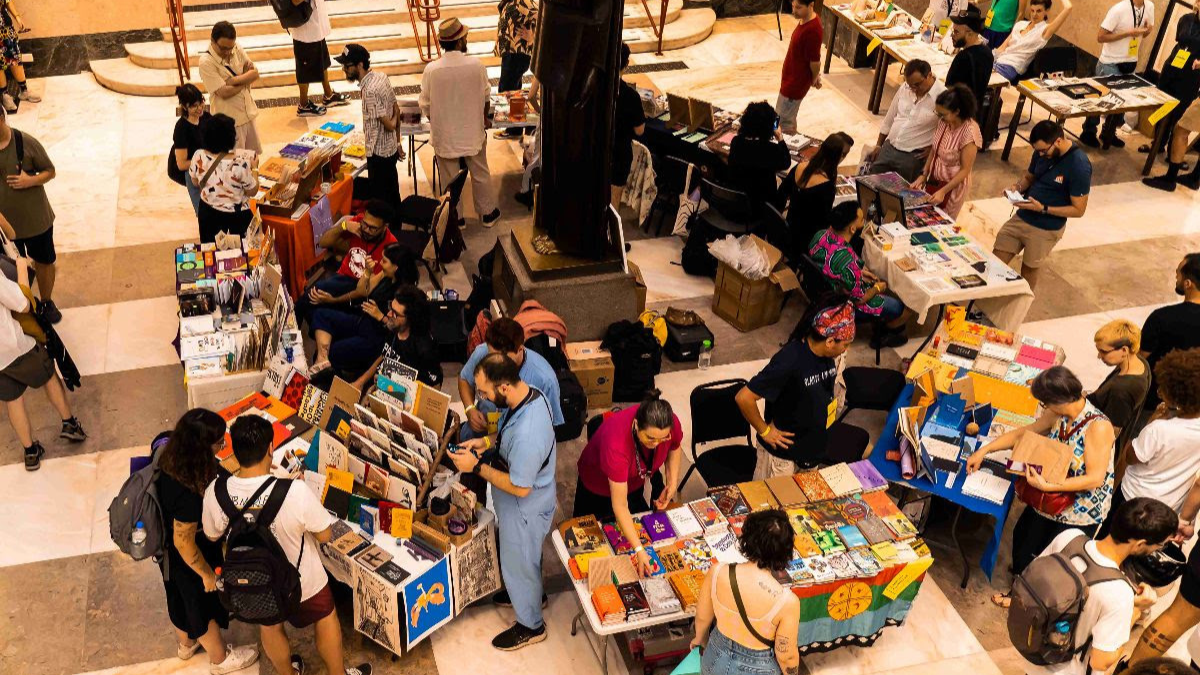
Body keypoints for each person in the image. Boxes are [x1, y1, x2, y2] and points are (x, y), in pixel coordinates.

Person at [202, 416, 371, 675]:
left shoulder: (216, 491)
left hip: (255, 579)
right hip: (304, 581)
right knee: (326, 618)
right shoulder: (294, 491)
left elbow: (212, 535)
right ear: (271, 448)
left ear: (233, 451)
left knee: (269, 626)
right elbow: (325, 535)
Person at [966, 365, 1116, 605]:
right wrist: (985, 450)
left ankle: (1026, 600)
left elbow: (1094, 478)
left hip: (1077, 510)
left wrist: (1049, 485)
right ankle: (1020, 583)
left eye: (1044, 404)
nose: (1043, 410)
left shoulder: (1098, 426)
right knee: (1024, 538)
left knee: (1052, 561)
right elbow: (1023, 434)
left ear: (1057, 400)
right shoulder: (1059, 414)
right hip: (1047, 497)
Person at [448, 353, 557, 651]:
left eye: (484, 392)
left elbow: (521, 488)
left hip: (524, 509)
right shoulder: (529, 397)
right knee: (524, 561)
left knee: (519, 560)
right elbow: (505, 432)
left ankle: (531, 624)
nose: (480, 397)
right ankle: (530, 594)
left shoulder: (528, 434)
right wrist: (483, 443)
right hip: (523, 506)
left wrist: (476, 467)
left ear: (505, 386)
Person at [155, 409, 259, 674]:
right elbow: (183, 542)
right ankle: (220, 659)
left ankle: (186, 645)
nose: (222, 446)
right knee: (201, 605)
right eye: (218, 442)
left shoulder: (173, 459)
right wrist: (206, 574)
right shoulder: (187, 492)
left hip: (169, 557)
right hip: (190, 556)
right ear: (201, 447)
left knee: (178, 599)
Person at [1019, 497, 1174, 675]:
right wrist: (1136, 609)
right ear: (1140, 544)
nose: (1159, 549)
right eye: (1160, 545)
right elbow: (1101, 661)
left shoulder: (1070, 537)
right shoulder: (1119, 593)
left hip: (1033, 650)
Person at [736, 300, 853, 476]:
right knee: (771, 503)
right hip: (782, 459)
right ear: (829, 341)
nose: (846, 350)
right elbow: (744, 397)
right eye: (845, 344)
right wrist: (765, 431)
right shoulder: (790, 360)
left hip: (810, 454)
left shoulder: (829, 357)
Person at [573, 390, 684, 575]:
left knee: (629, 537)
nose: (657, 444)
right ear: (635, 425)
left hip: (634, 481)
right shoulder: (616, 444)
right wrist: (639, 550)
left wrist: (672, 482)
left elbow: (675, 446)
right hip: (597, 487)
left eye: (662, 438)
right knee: (591, 547)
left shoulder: (668, 423)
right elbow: (620, 506)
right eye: (650, 438)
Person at [690, 510, 802, 675]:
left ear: (747, 539)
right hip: (759, 667)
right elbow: (786, 656)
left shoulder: (718, 572)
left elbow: (702, 617)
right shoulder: (787, 601)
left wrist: (700, 640)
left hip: (715, 656)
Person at [1103, 349, 1200, 539]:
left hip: (1132, 499)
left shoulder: (1159, 430)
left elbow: (1131, 457)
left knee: (1110, 542)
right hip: (1166, 509)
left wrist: (1153, 419)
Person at [0, 263, 85, 471]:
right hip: (14, 346)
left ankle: (30, 452)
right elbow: (22, 304)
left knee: (12, 399)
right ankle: (69, 423)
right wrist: (21, 269)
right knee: (48, 375)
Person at [419, 18, 501, 227]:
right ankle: (487, 214)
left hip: (445, 135)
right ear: (459, 41)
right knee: (480, 173)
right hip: (472, 132)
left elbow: (426, 105)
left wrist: (440, 122)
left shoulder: (432, 69)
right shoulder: (476, 65)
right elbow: (485, 97)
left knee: (449, 179)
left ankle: (457, 219)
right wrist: (482, 119)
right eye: (465, 37)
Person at [992, 120, 1091, 289]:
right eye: (1038, 151)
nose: (1041, 155)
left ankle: (1021, 308)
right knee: (994, 263)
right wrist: (1017, 187)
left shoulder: (1079, 165)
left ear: (1058, 141)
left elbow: (1078, 209)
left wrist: (1043, 209)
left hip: (1046, 228)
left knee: (1028, 271)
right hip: (1022, 217)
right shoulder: (1040, 152)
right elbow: (1030, 177)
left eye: (1044, 151)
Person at [809, 203, 915, 347]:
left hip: (821, 291)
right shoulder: (848, 261)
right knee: (903, 308)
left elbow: (835, 268)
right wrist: (878, 288)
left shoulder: (820, 235)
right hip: (840, 303)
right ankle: (886, 331)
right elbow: (859, 300)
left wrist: (859, 273)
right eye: (860, 219)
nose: (864, 220)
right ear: (852, 228)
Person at [309, 244, 418, 381]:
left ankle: (331, 380)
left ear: (396, 267)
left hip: (377, 337)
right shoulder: (386, 275)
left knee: (335, 350)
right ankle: (322, 361)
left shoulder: (406, 294)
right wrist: (367, 272)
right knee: (321, 314)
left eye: (384, 261)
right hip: (363, 321)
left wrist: (381, 316)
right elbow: (362, 290)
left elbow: (403, 330)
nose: (380, 263)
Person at [0, 106, 61, 323]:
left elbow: (50, 171)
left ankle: (46, 301)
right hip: (5, 227)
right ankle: (21, 305)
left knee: (44, 261)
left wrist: (30, 180)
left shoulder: (25, 142)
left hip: (35, 221)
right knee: (10, 266)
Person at [458, 317, 562, 441]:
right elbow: (464, 379)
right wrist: (470, 409)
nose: (494, 363)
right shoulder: (482, 352)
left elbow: (549, 428)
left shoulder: (545, 379)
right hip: (478, 433)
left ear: (520, 349)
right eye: (491, 355)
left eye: (502, 358)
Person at [298, 199, 398, 326]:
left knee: (311, 302)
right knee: (310, 302)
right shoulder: (358, 222)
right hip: (341, 277)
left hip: (360, 287)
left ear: (385, 227)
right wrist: (343, 226)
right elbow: (323, 243)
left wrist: (332, 301)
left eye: (373, 228)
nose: (366, 230)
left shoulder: (390, 247)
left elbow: (363, 291)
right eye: (364, 224)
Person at [1141, 1, 1200, 191]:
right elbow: (1181, 40)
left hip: (1191, 77)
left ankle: (1173, 157)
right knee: (1163, 108)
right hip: (1173, 67)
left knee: (1180, 118)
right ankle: (1157, 142)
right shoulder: (1186, 19)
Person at [335, 44, 402, 213]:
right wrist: (398, 142)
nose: (344, 69)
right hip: (390, 149)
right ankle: (396, 224)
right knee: (392, 192)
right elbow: (396, 107)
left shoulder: (369, 91)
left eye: (347, 66)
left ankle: (388, 232)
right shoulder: (381, 77)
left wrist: (393, 123)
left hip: (378, 154)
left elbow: (390, 123)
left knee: (381, 201)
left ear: (359, 65)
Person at [1080, 0, 1155, 149]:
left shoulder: (1150, 6)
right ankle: (1088, 132)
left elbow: (1145, 34)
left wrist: (1146, 31)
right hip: (1110, 62)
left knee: (1121, 102)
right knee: (1100, 101)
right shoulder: (1119, 9)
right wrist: (1128, 33)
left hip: (1130, 62)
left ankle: (1109, 132)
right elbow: (1100, 37)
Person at [1137, 254, 1200, 426]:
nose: (1175, 276)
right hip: (1194, 406)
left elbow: (1140, 358)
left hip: (1154, 400)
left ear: (1188, 284)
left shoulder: (1161, 318)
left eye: (1178, 273)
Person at [866, 60, 945, 182]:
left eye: (917, 84)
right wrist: (878, 144)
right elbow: (890, 117)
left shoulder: (943, 96)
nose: (913, 89)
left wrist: (933, 149)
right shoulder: (905, 87)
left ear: (929, 75)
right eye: (910, 85)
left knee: (901, 194)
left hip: (913, 155)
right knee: (871, 183)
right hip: (890, 146)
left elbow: (949, 130)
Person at [912, 83, 982, 219]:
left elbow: (965, 170)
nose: (939, 117)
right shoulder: (944, 122)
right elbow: (935, 149)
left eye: (943, 114)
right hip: (934, 181)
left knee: (941, 221)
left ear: (956, 112)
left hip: (952, 189)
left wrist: (943, 191)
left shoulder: (970, 133)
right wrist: (923, 174)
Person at [352, 285, 441, 390]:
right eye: (391, 307)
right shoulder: (395, 328)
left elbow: (435, 389)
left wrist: (384, 385)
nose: (388, 314)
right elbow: (384, 355)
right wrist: (360, 382)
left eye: (395, 314)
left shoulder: (424, 349)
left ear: (410, 318)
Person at [782, 131, 855, 260]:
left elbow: (782, 193)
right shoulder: (826, 186)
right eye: (844, 155)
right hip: (806, 242)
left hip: (788, 229)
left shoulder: (800, 167)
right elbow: (824, 223)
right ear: (839, 156)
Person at [190, 113, 258, 244]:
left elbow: (194, 181)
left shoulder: (198, 156)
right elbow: (252, 190)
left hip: (208, 212)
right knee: (239, 254)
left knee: (210, 250)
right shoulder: (239, 164)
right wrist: (254, 168)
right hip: (236, 216)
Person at [197, 22, 262, 155]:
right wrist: (245, 78)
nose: (227, 52)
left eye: (230, 48)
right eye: (223, 48)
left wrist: (232, 81)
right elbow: (224, 92)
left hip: (248, 113)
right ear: (212, 41)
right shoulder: (206, 62)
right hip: (230, 123)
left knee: (253, 159)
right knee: (235, 164)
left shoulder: (236, 48)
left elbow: (255, 73)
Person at [1086, 319, 1150, 454]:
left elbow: (1109, 435)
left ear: (1124, 350)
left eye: (1103, 352)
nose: (1099, 356)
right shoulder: (1139, 363)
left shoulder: (1122, 391)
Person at [287, 0, 349, 117]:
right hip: (304, 29)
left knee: (322, 61)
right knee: (304, 69)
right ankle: (303, 105)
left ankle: (328, 95)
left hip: (316, 26)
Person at [991, 0, 1074, 83]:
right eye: (1032, 10)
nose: (1034, 14)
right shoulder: (1020, 24)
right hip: (997, 61)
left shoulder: (1044, 30)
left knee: (984, 80)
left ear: (1047, 11)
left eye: (1039, 11)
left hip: (1011, 67)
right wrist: (988, 58)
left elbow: (1068, 7)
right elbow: (1002, 47)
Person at [728, 101, 790, 206]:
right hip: (762, 208)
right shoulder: (771, 149)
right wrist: (780, 138)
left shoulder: (736, 142)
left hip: (739, 203)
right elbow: (786, 162)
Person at [777, 0, 823, 135]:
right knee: (786, 118)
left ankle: (786, 151)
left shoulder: (813, 30)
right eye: (792, 6)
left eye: (798, 7)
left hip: (794, 84)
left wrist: (815, 77)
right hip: (790, 79)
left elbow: (815, 62)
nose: (794, 11)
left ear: (811, 5)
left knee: (781, 123)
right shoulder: (804, 20)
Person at [494, 0, 538, 139]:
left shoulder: (524, 1)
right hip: (512, 52)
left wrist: (533, 36)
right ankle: (518, 128)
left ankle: (517, 128)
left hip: (517, 53)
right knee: (513, 89)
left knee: (508, 89)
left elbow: (541, 16)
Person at [612, 43, 646, 207]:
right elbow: (639, 130)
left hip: (597, 149)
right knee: (613, 200)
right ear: (626, 64)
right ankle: (609, 231)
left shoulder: (597, 88)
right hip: (619, 153)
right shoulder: (631, 96)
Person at [946, 5, 994, 113]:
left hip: (958, 115)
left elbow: (948, 90)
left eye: (956, 32)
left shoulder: (963, 58)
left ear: (970, 33)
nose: (952, 35)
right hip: (975, 113)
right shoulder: (987, 52)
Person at [173, 84, 212, 216]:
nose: (200, 108)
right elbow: (181, 164)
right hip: (192, 172)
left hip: (209, 166)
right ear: (184, 107)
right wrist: (204, 158)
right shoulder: (181, 129)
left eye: (201, 103)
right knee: (204, 213)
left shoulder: (206, 117)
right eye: (194, 106)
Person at [0, 0, 39, 112]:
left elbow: (7, 1)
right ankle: (5, 96)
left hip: (6, 26)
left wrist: (17, 17)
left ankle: (24, 91)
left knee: (15, 58)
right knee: (0, 63)